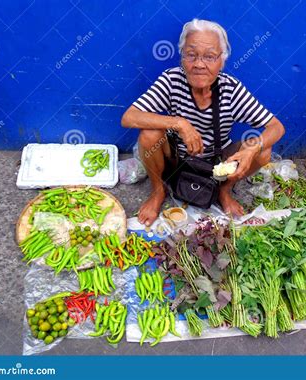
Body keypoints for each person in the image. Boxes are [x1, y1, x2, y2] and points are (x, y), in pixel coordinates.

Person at [121, 19, 285, 226]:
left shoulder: (231, 89)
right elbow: (129, 117)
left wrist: (251, 150)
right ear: (182, 58)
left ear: (221, 61)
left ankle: (224, 191)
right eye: (191, 54)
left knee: (262, 150)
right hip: (177, 157)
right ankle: (158, 191)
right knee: (149, 134)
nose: (199, 64)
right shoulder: (172, 80)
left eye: (209, 56)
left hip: (218, 161)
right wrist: (179, 123)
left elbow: (276, 127)